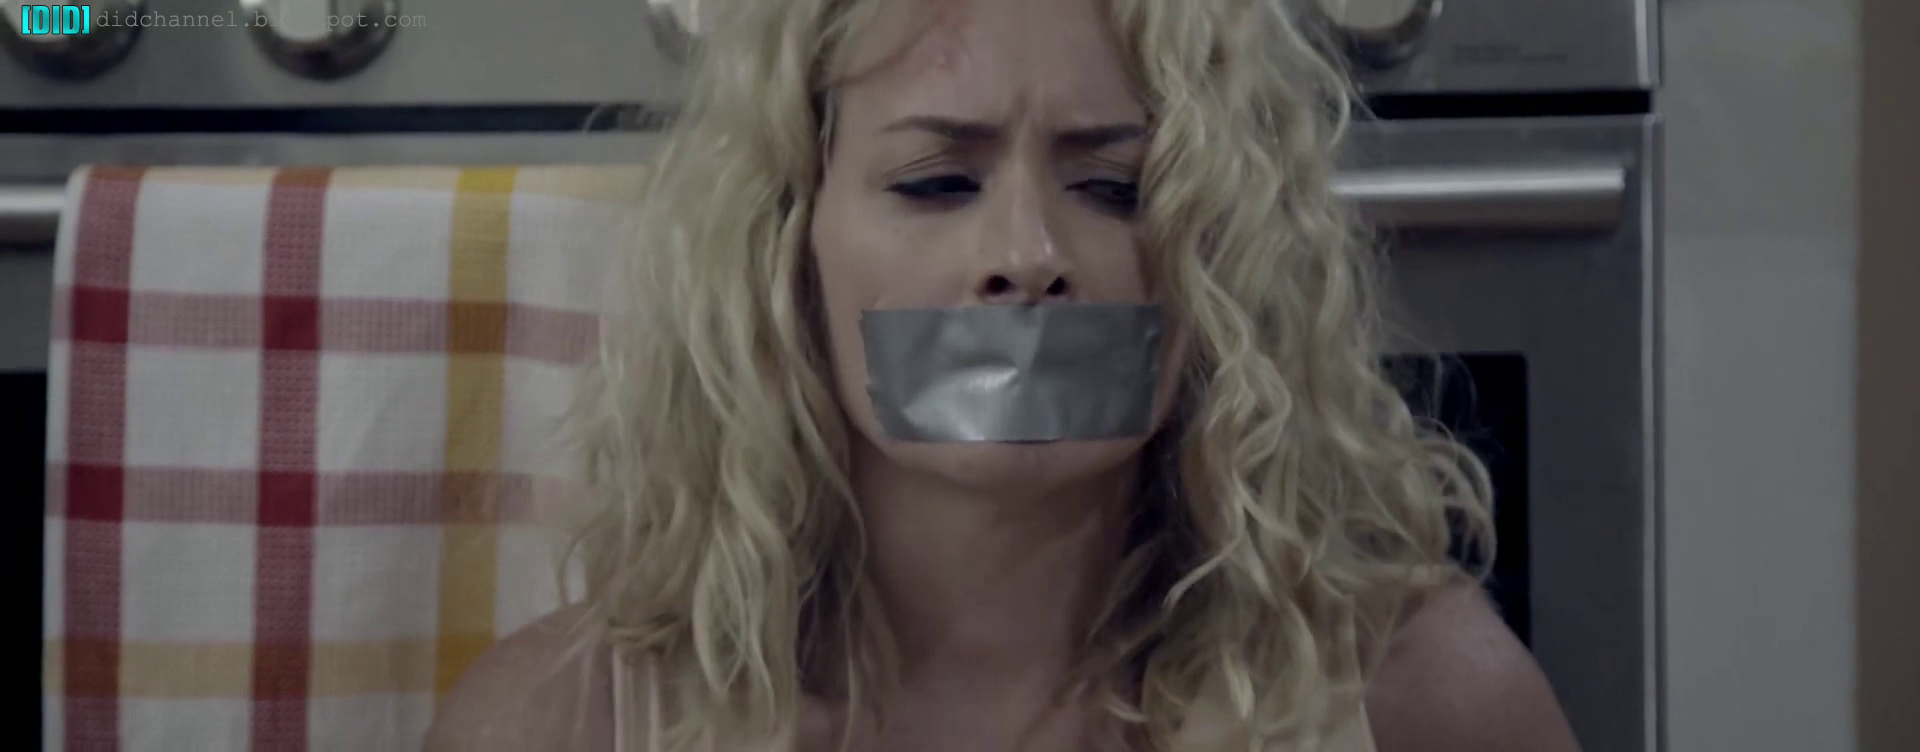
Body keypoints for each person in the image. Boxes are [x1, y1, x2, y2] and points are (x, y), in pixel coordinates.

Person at [427, 0, 1581, 749]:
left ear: (1217, 260)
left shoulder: (1422, 695)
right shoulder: (559, 720)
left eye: (1116, 188)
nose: (1028, 255)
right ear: (786, 244)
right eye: (938, 182)